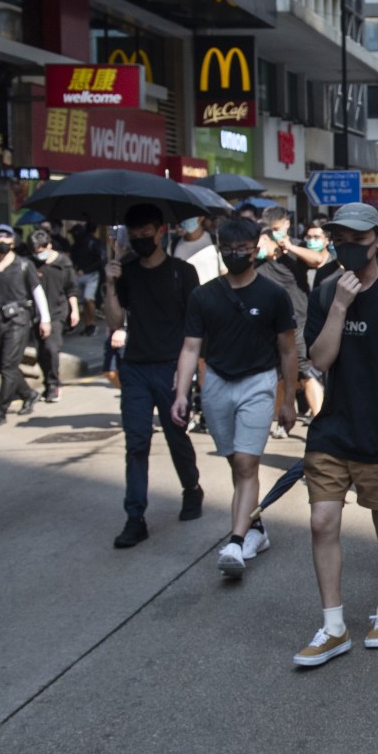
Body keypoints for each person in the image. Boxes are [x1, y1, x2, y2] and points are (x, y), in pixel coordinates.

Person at [292, 202, 378, 667]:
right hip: (332, 429)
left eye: (357, 238)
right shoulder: (326, 291)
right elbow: (320, 360)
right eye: (341, 239)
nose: (348, 247)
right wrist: (340, 305)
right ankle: (333, 627)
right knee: (320, 522)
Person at [171, 217, 299, 579]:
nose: (236, 255)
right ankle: (255, 528)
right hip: (216, 384)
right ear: (220, 249)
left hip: (258, 382)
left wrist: (288, 399)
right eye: (228, 250)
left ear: (256, 249)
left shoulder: (273, 295)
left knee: (246, 464)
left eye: (243, 249)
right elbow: (190, 347)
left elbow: (288, 350)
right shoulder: (203, 295)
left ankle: (235, 540)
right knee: (236, 464)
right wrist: (182, 393)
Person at [104, 203, 204, 549]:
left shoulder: (182, 272)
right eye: (134, 237)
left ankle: (192, 488)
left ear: (160, 230)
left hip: (171, 367)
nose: (140, 241)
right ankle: (135, 517)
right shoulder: (126, 270)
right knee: (137, 442)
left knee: (177, 437)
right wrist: (110, 282)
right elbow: (115, 322)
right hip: (135, 367)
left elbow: (194, 328)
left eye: (145, 234)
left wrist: (185, 374)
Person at [0, 224, 51, 426]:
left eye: (6, 239)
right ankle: (28, 393)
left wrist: (45, 318)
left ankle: (0, 409)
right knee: (2, 363)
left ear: (13, 242)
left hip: (18, 319)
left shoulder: (24, 265)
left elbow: (38, 292)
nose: (2, 243)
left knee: (8, 364)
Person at [256, 206, 324, 438]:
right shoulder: (258, 250)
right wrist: (259, 251)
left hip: (298, 319)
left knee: (305, 370)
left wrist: (290, 247)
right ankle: (280, 420)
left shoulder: (295, 250)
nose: (273, 232)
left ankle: (321, 419)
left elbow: (318, 260)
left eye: (277, 228)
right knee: (277, 373)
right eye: (268, 229)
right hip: (268, 323)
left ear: (286, 225)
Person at [30, 230, 79, 403]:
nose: (39, 254)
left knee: (51, 348)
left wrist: (74, 310)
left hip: (57, 312)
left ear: (49, 245)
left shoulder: (63, 262)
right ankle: (47, 382)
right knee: (41, 351)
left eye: (41, 249)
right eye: (35, 251)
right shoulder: (31, 264)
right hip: (36, 314)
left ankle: (53, 384)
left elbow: (71, 289)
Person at [69, 223, 104, 336]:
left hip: (91, 275)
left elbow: (100, 261)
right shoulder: (75, 246)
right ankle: (87, 324)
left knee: (88, 299)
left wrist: (86, 270)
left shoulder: (91, 243)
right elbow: (74, 260)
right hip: (80, 275)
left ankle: (92, 324)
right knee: (84, 301)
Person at [171, 216, 224, 285]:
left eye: (190, 216)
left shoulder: (215, 241)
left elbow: (224, 271)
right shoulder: (173, 245)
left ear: (201, 218)